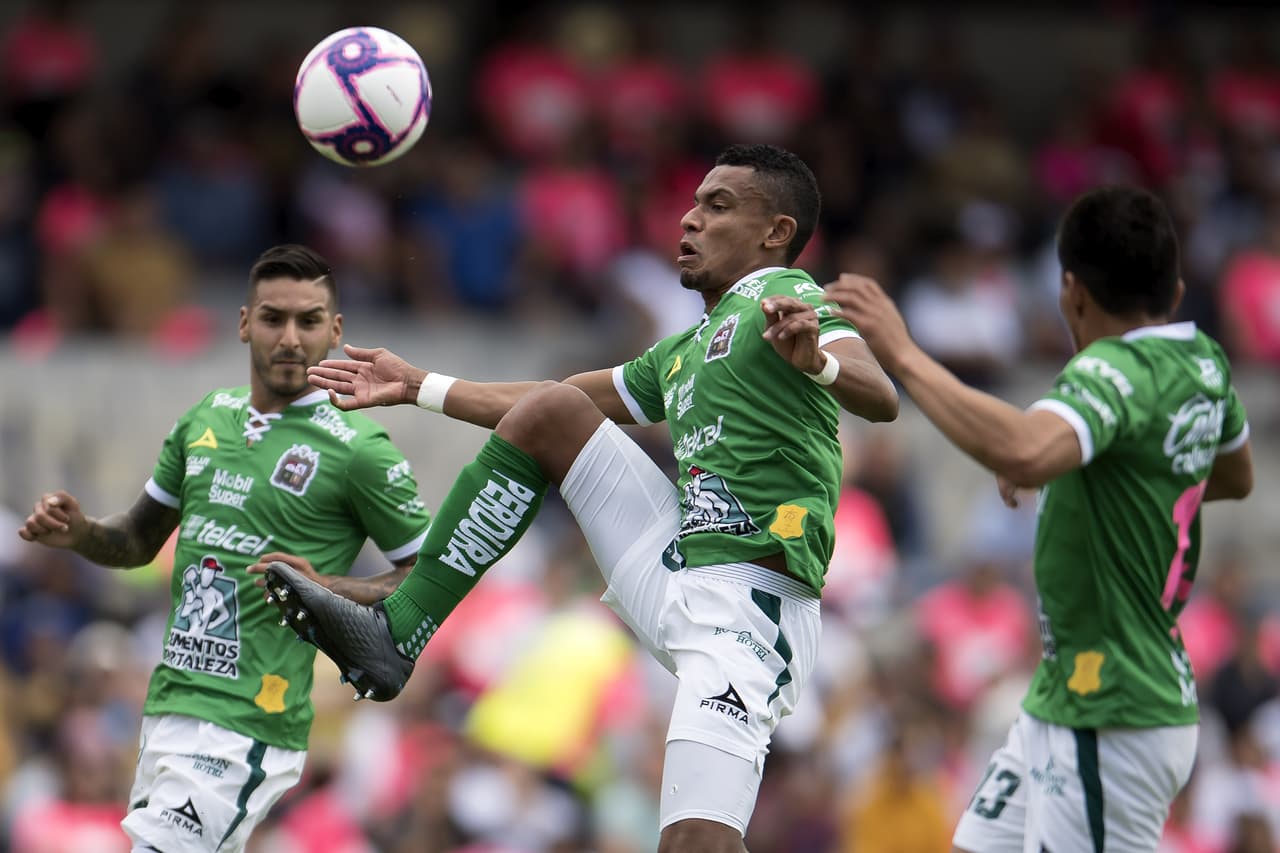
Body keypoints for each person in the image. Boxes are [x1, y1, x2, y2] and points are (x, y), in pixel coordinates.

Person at [263, 143, 900, 853]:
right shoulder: (684, 350)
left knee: (694, 843)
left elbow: (880, 394)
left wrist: (819, 361)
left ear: (776, 231)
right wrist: (419, 386)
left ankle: (399, 603)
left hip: (751, 609)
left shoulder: (787, 298)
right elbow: (548, 401)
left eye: (717, 206)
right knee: (552, 412)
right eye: (693, 203)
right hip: (677, 564)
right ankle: (400, 627)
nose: (689, 219)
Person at [825, 185, 1254, 852]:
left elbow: (1023, 450)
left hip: (1114, 709)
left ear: (1071, 292)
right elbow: (1233, 474)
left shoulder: (1112, 368)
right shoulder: (1202, 363)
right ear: (1174, 289)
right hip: (1068, 694)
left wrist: (903, 353)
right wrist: (1072, 457)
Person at [17, 244, 432, 853]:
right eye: (273, 318)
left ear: (335, 331)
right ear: (244, 323)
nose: (289, 338)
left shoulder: (360, 449)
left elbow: (429, 574)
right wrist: (80, 534)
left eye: (309, 320)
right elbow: (136, 541)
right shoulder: (205, 420)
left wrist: (331, 588)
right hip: (170, 706)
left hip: (248, 723)